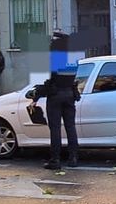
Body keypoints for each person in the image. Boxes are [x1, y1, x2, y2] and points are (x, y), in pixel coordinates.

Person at [30, 32, 79, 169]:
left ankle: (55, 160)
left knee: (55, 129)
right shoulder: (74, 59)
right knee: (70, 127)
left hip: (56, 96)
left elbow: (52, 81)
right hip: (70, 94)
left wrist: (37, 96)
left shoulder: (57, 58)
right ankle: (73, 158)